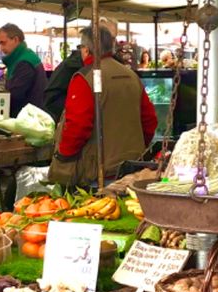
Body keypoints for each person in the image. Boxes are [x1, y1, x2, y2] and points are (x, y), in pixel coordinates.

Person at [49, 24, 158, 184]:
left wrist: (63, 155)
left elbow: (78, 125)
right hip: (133, 166)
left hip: (98, 170)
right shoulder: (131, 75)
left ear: (86, 49)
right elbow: (150, 121)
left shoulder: (85, 78)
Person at [0, 23, 46, 117]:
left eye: (3, 43)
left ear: (15, 40)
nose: (1, 48)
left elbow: (15, 96)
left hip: (27, 119)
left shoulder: (24, 63)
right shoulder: (25, 57)